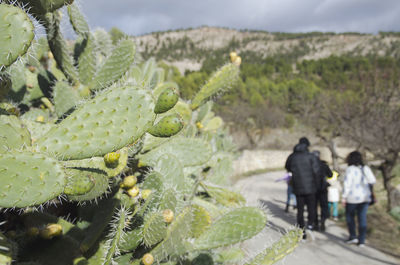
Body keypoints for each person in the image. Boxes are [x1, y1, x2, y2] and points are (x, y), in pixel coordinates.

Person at [285, 137, 320, 239]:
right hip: (311, 188)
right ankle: (310, 225)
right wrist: (316, 185)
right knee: (311, 208)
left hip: (298, 187)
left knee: (300, 209)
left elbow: (287, 167)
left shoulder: (292, 156)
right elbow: (316, 171)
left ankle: (301, 230)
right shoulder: (311, 156)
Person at [342, 151, 376, 247]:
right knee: (362, 218)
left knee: (350, 217)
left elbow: (347, 184)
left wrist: (344, 197)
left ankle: (353, 236)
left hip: (352, 198)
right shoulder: (365, 168)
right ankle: (362, 240)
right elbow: (372, 180)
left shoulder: (350, 169)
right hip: (365, 197)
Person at [311, 150, 332, 232]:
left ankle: (315, 223)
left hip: (313, 189)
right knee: (324, 205)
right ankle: (323, 220)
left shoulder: (310, 165)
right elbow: (330, 175)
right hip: (323, 188)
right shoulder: (324, 165)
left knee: (313, 206)